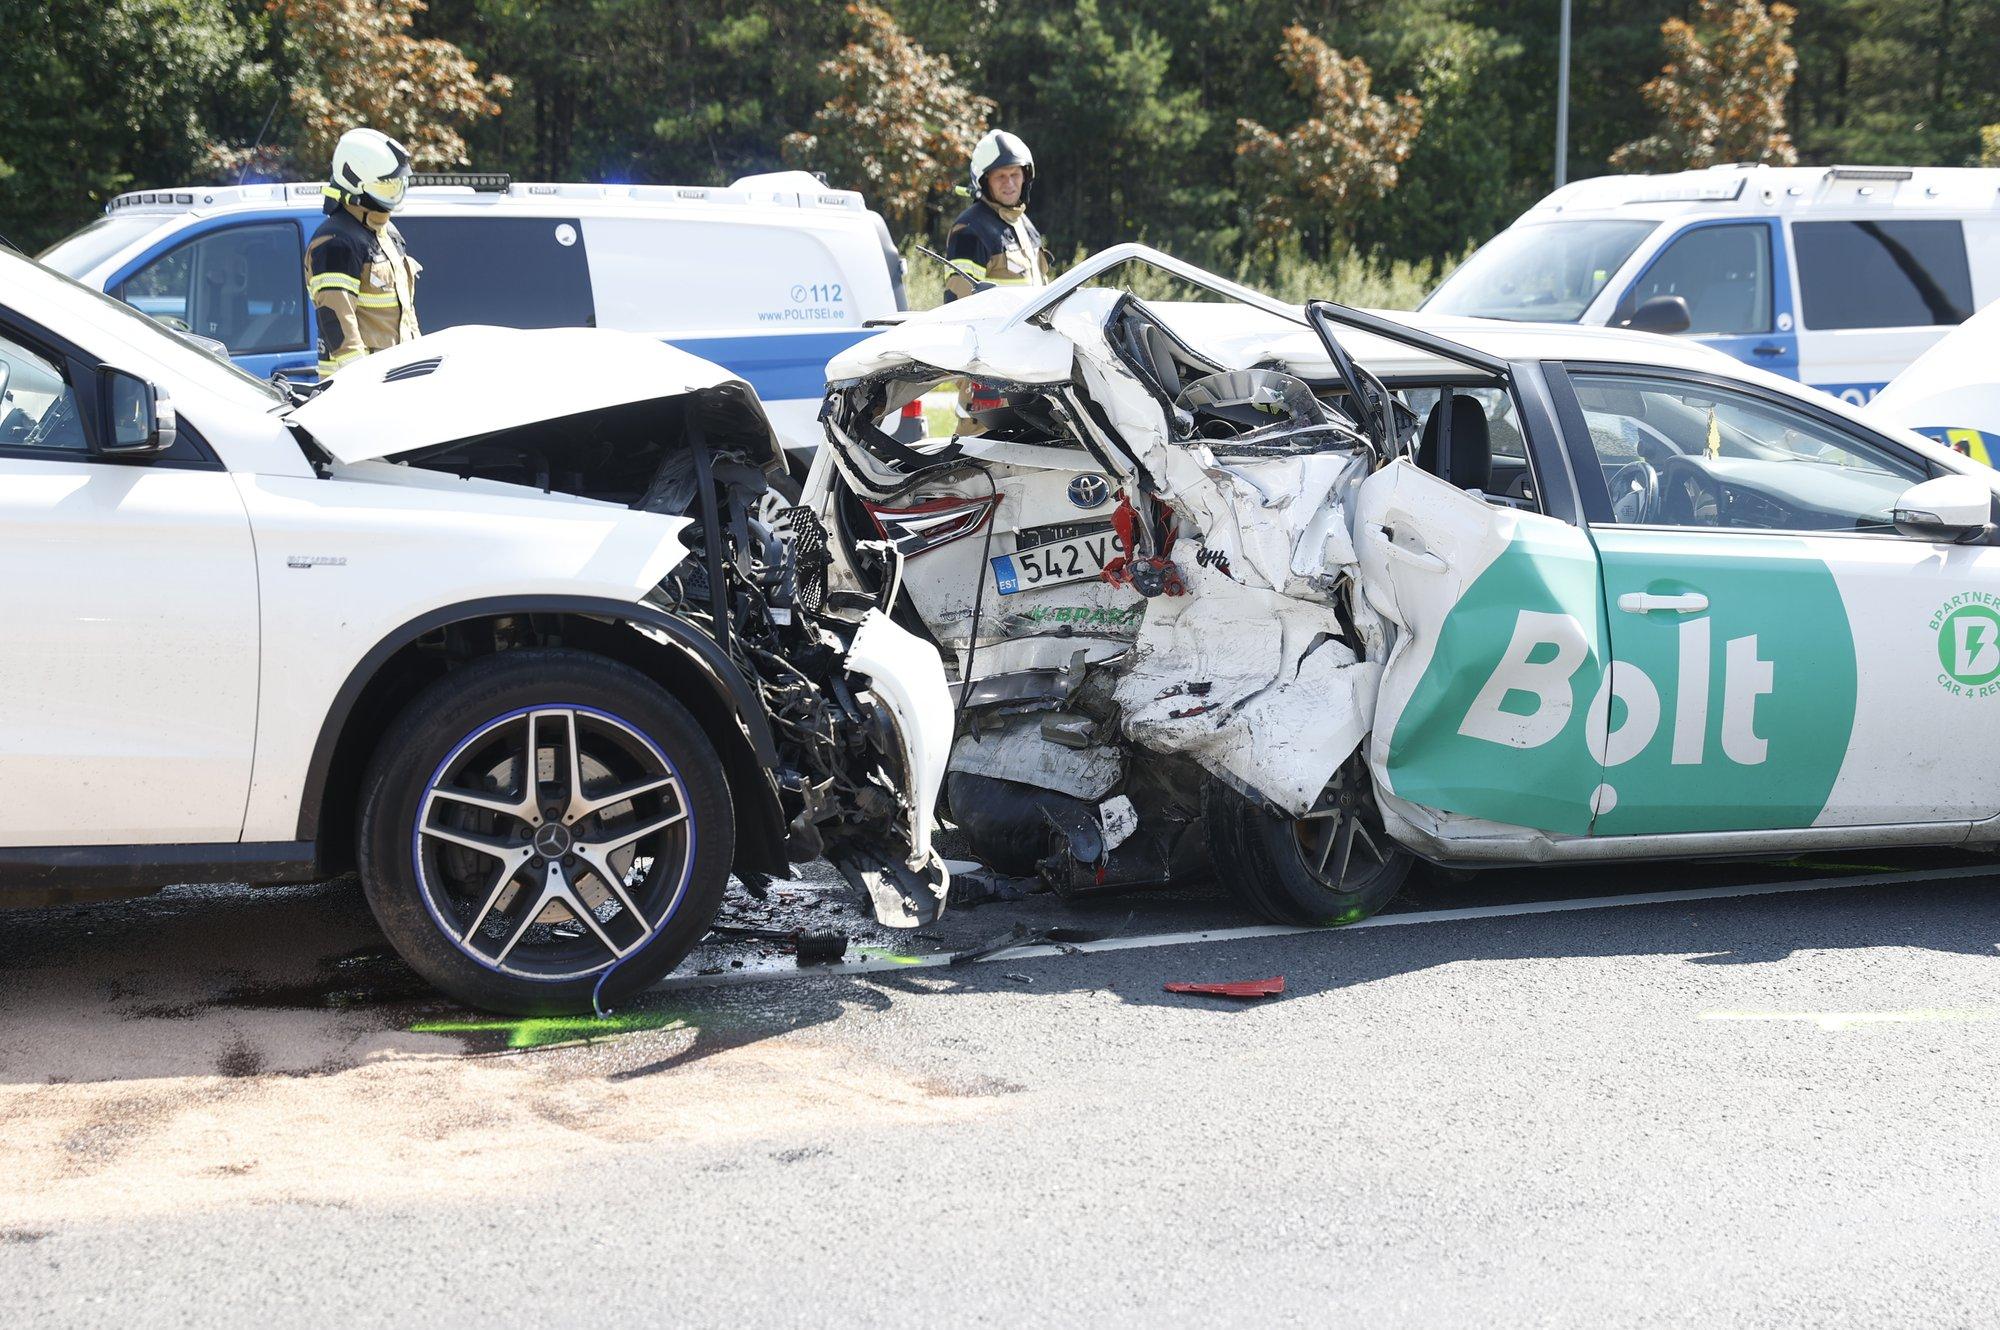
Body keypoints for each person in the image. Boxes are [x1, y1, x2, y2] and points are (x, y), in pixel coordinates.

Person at [305, 128, 421, 377]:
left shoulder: (387, 233)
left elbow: (406, 317)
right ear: (355, 181)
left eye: (397, 185)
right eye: (385, 186)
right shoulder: (335, 242)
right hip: (362, 390)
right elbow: (338, 322)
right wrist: (360, 384)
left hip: (397, 380)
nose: (393, 194)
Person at [944, 130, 1048, 301]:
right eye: (1000, 176)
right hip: (993, 328)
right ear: (985, 182)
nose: (1009, 183)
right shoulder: (969, 231)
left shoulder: (1023, 224)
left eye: (1015, 174)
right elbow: (958, 307)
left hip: (1031, 329)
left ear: (1025, 177)